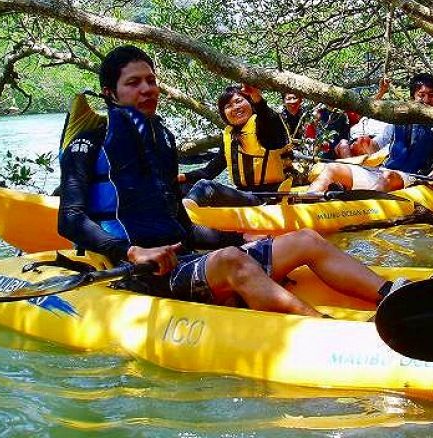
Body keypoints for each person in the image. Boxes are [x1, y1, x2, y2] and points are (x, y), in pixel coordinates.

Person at [58, 45, 401, 316]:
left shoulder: (161, 139)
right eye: (134, 83)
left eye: (151, 80)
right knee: (230, 260)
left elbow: (182, 224)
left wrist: (237, 235)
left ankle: (395, 295)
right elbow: (70, 219)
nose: (147, 89)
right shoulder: (87, 145)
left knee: (306, 239)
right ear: (110, 92)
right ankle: (324, 331)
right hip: (140, 272)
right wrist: (131, 252)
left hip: (185, 260)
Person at [309, 73, 433, 193]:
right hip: (384, 171)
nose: (426, 100)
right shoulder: (398, 122)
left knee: (388, 177)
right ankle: (304, 202)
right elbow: (375, 146)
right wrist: (366, 145)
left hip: (413, 178)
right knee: (333, 168)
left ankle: (362, 207)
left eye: (431, 95)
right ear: (412, 98)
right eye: (421, 95)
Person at [179, 84, 289, 207]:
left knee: (206, 187)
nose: (235, 107)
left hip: (266, 197)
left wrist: (258, 98)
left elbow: (273, 128)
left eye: (239, 101)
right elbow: (209, 171)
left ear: (250, 103)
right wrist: (181, 177)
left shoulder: (263, 125)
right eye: (228, 106)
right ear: (224, 114)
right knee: (181, 187)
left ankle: (185, 217)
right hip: (243, 194)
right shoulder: (229, 137)